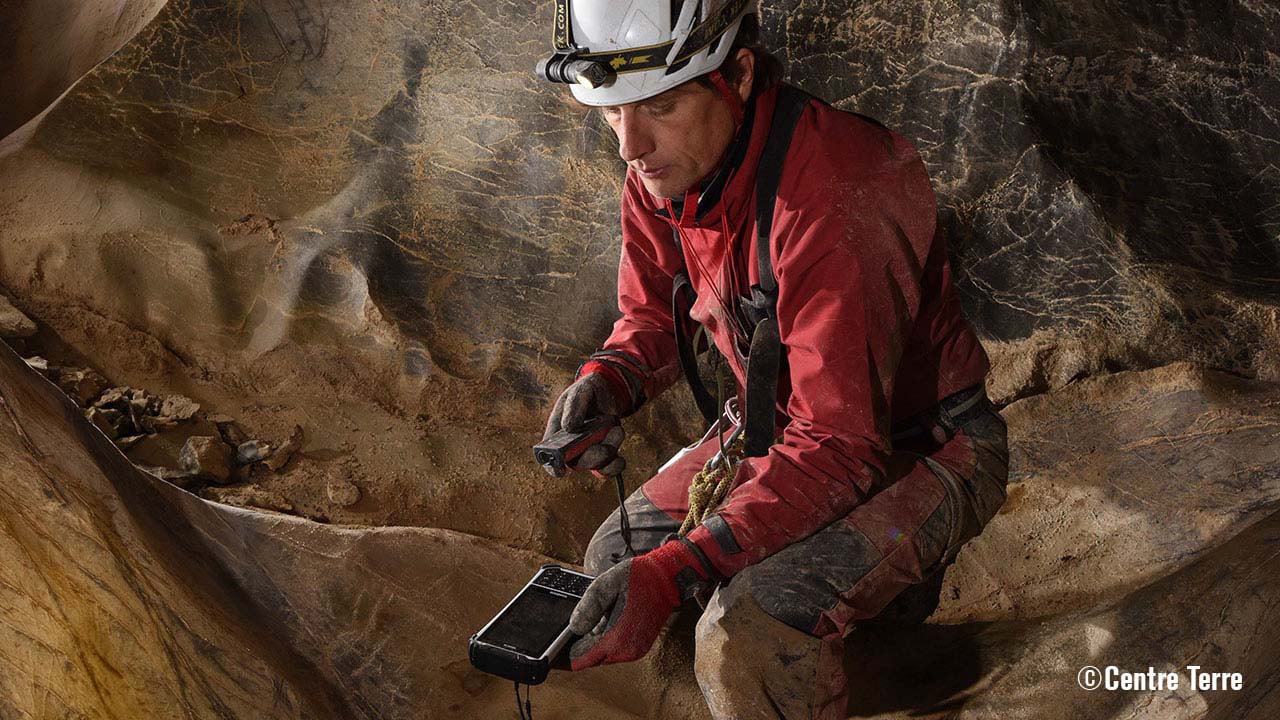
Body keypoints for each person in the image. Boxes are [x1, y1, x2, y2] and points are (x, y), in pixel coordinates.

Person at [536, 2, 1009, 717]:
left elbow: (843, 447)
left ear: (739, 74)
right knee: (614, 561)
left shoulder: (835, 197)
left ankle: (876, 599)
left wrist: (680, 568)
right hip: (776, 427)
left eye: (660, 105)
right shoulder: (665, 168)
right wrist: (612, 379)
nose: (630, 143)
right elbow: (649, 314)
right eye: (611, 113)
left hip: (920, 448)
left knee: (755, 622)